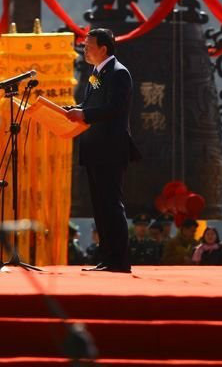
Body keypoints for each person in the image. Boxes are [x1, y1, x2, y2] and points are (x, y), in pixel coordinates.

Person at [66, 28, 140, 274]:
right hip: (94, 148)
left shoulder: (119, 74)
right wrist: (73, 109)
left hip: (110, 148)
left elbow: (114, 109)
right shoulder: (96, 73)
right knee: (99, 205)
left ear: (103, 49)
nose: (84, 49)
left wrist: (83, 114)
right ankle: (107, 257)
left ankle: (119, 261)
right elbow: (92, 105)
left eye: (88, 46)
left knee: (111, 203)